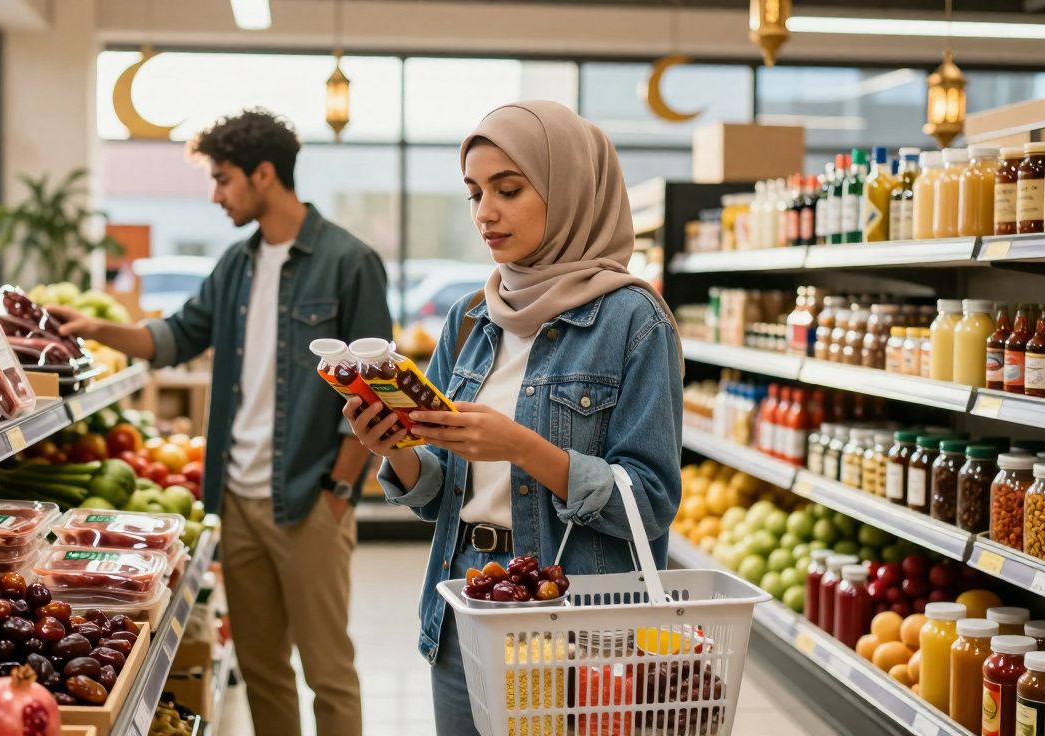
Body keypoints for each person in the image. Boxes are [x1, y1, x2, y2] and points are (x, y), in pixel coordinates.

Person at [342, 100, 684, 735]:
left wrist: (521, 447)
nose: (484, 213)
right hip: (466, 600)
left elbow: (652, 499)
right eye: (474, 193)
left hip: (578, 620)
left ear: (569, 190)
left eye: (508, 189)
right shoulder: (470, 318)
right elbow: (438, 491)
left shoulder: (634, 320)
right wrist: (396, 449)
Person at [54, 109, 388, 736]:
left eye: (224, 179)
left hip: (309, 497)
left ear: (265, 174)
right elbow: (178, 336)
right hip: (235, 500)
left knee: (329, 672)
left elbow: (374, 389)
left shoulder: (350, 262)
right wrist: (97, 329)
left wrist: (340, 491)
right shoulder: (236, 265)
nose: (215, 194)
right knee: (261, 667)